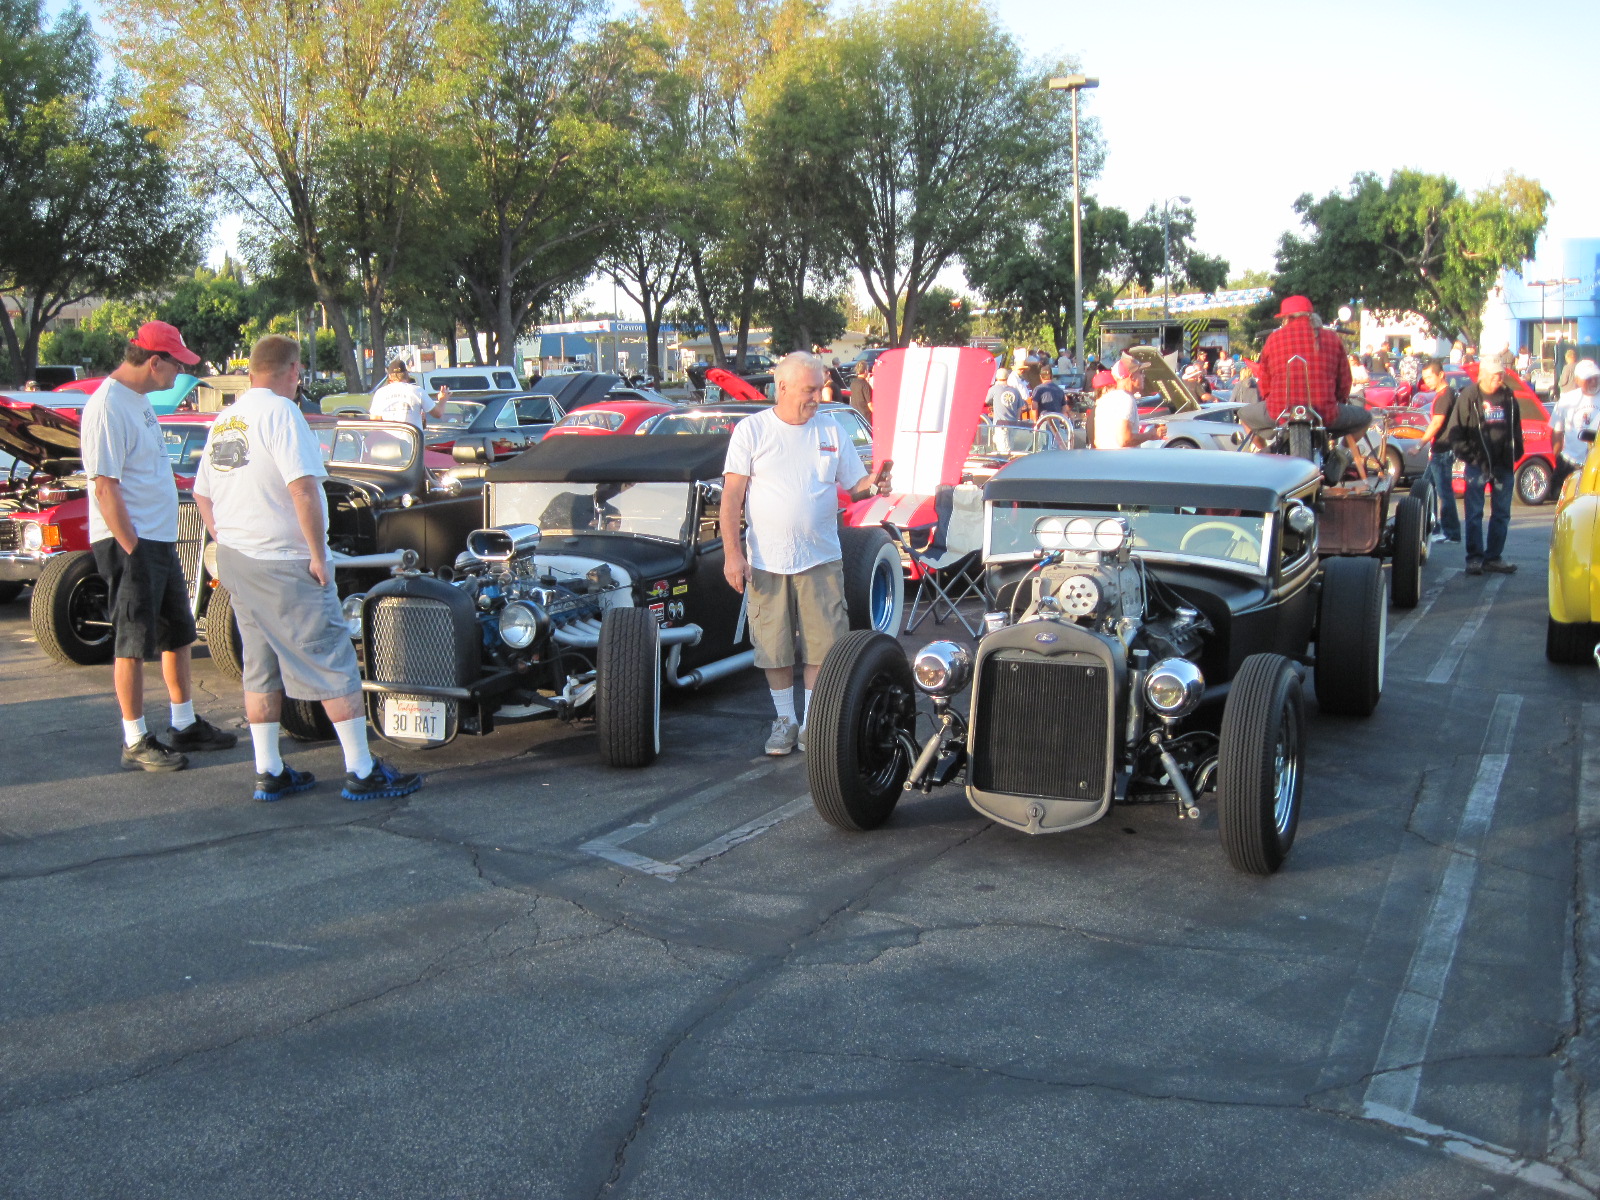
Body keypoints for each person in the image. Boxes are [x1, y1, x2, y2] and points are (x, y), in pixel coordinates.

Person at [193, 334, 421, 801]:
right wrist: (319, 555)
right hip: (283, 560)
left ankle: (269, 771)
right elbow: (301, 489)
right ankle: (361, 769)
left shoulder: (226, 419)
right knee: (333, 660)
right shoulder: (282, 413)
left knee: (259, 666)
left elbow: (202, 494)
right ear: (293, 371)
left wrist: (228, 539)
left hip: (239, 561)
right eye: (298, 374)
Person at [82, 321, 238, 771]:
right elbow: (105, 486)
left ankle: (184, 722)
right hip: (132, 542)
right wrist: (131, 548)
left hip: (157, 538)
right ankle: (135, 737)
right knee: (132, 641)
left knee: (178, 633)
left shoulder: (139, 402)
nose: (181, 373)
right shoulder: (108, 406)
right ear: (155, 362)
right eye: (178, 364)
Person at [720, 352, 892, 756]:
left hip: (821, 558)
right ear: (782, 388)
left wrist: (877, 483)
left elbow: (855, 486)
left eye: (820, 387)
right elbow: (731, 500)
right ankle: (784, 720)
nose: (819, 396)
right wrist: (732, 554)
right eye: (810, 389)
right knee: (774, 646)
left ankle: (812, 723)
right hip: (766, 560)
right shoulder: (752, 430)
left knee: (823, 644)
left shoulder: (831, 430)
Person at [1240, 296, 1369, 450]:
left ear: (1286, 318)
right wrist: (1338, 401)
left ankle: (1264, 452)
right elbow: (1344, 381)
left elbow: (1264, 380)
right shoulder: (1332, 338)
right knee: (1366, 418)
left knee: (1243, 415)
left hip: (1280, 411)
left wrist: (1271, 400)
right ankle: (1341, 452)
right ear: (1310, 315)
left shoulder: (1273, 339)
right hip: (1325, 413)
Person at [1441, 359, 1523, 575]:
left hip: (1503, 463)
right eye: (1496, 375)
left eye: (1502, 375)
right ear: (1484, 375)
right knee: (1475, 512)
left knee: (1502, 513)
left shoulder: (1508, 396)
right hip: (1477, 463)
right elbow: (1456, 430)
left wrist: (1517, 450)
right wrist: (1467, 454)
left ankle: (1493, 557)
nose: (1500, 379)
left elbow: (1516, 426)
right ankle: (1475, 558)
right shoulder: (1470, 395)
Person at [1415, 360, 1462, 545]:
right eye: (1424, 377)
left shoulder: (1445, 395)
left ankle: (1451, 532)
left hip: (1443, 450)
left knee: (1443, 492)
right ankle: (1435, 527)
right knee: (1426, 486)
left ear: (1441, 374)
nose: (1427, 381)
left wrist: (1420, 445)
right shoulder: (1444, 394)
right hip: (1439, 449)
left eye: (1429, 377)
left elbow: (1437, 423)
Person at [1550, 359, 1600, 490]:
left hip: (1597, 465)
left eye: (1596, 377)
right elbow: (1557, 432)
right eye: (1589, 378)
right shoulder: (1567, 400)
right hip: (1570, 463)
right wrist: (1555, 458)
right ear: (1577, 380)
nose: (1594, 381)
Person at [1092, 356, 1161, 449]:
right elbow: (1124, 439)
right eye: (1140, 373)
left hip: (1105, 459)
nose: (1143, 376)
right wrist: (1150, 435)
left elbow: (1097, 441)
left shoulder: (1105, 399)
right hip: (1123, 461)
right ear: (1132, 377)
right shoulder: (1126, 399)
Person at [369, 359, 448, 428]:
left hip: (389, 442)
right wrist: (442, 399)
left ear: (389, 376)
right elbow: (438, 413)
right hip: (412, 442)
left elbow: (375, 420)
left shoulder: (381, 393)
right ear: (406, 374)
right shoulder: (417, 391)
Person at [986, 366, 1028, 449]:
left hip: (1000, 424)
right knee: (1010, 446)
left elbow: (986, 401)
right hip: (1013, 423)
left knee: (1004, 450)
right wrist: (1016, 420)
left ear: (997, 377)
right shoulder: (1015, 391)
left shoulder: (994, 389)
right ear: (1007, 377)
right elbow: (1019, 408)